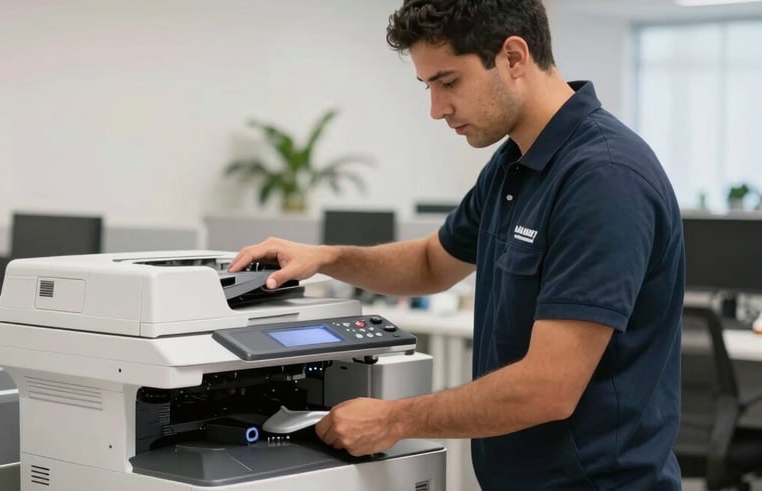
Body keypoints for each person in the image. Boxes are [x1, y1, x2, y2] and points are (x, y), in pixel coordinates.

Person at [229, 0, 685, 489]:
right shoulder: (515, 164)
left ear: (513, 58)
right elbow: (431, 263)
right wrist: (326, 259)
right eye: (429, 87)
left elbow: (548, 389)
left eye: (448, 83)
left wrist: (394, 419)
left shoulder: (603, 178)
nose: (436, 109)